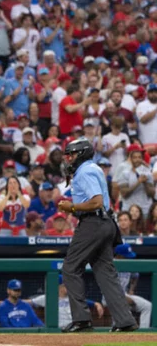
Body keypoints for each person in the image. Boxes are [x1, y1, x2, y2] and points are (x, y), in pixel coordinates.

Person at [57, 138, 138, 333]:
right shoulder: (92, 168)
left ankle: (82, 320)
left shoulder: (84, 170)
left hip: (93, 222)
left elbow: (96, 202)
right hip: (105, 223)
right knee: (105, 273)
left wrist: (72, 206)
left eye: (72, 154)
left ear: (82, 153)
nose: (69, 158)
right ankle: (125, 321)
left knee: (70, 268)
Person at [28, 275, 103, 329]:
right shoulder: (47, 298)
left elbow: (87, 302)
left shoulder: (72, 298)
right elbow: (29, 302)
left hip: (72, 328)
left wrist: (97, 304)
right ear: (59, 287)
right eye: (66, 285)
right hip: (57, 329)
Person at [111, 243, 152, 328]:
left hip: (124, 295)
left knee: (147, 306)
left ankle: (143, 333)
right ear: (119, 256)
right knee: (126, 316)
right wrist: (124, 298)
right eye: (126, 256)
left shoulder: (128, 264)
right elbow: (109, 289)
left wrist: (131, 289)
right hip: (110, 297)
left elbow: (135, 276)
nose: (129, 258)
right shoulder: (110, 266)